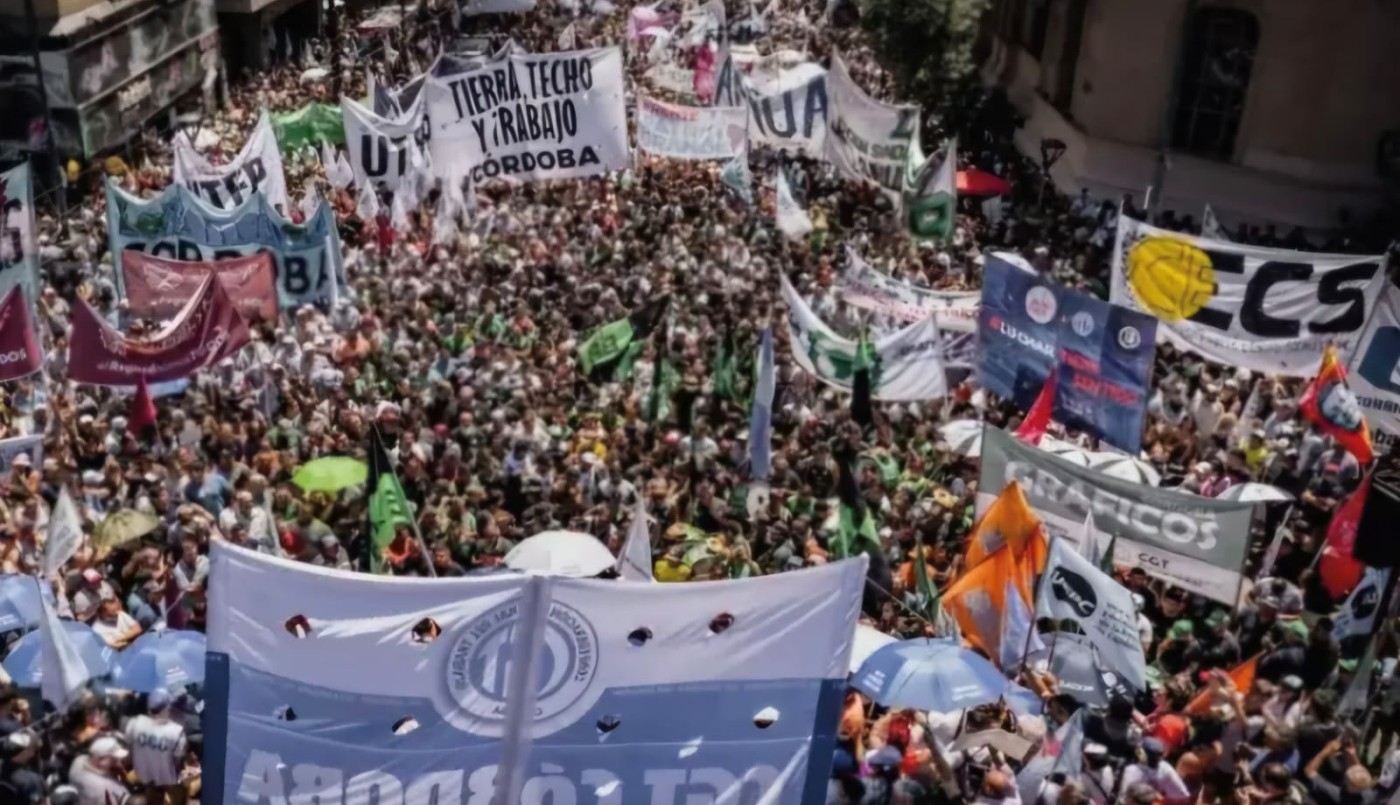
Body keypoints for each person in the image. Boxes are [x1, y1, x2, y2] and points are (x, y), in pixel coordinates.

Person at [125, 691, 189, 805]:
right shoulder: (177, 732)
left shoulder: (134, 724)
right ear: (167, 708)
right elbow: (178, 761)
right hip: (166, 783)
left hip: (140, 780)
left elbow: (129, 753)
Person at [68, 736, 131, 805]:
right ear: (100, 760)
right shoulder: (104, 789)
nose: (118, 761)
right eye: (114, 759)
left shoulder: (78, 761)